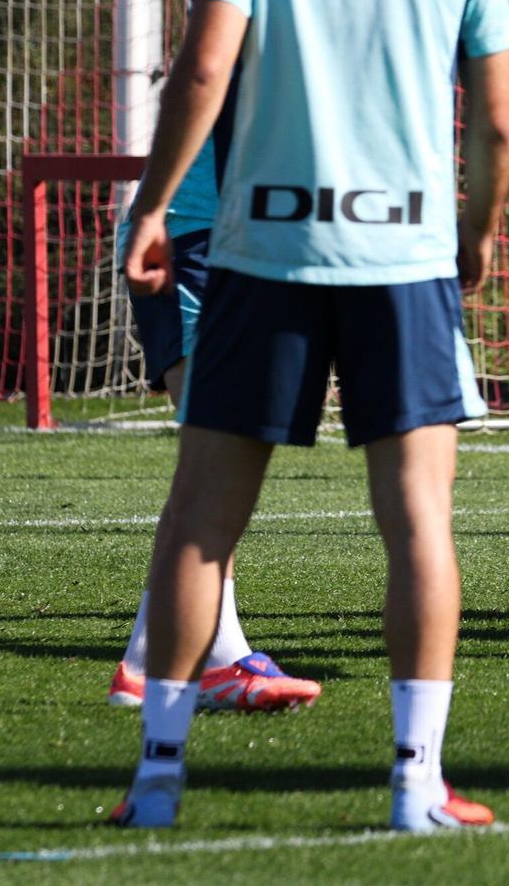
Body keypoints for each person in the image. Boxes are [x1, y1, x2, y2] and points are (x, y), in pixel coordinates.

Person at [112, 0, 509, 832]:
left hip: (265, 250)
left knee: (202, 517)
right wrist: (475, 231)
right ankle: (411, 784)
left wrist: (151, 205)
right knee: (418, 521)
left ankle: (156, 783)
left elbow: (202, 67)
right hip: (402, 258)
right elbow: (495, 122)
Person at [106, 140, 322, 713]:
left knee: (216, 458)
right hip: (194, 235)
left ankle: (146, 664)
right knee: (219, 456)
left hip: (247, 238)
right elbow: (199, 81)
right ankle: (213, 658)